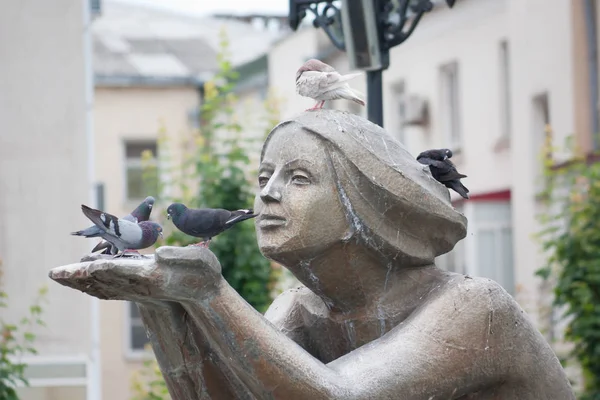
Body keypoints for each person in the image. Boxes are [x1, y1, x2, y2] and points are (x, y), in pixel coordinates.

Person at [54, 110, 575, 399]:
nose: (267, 195)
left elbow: (338, 398)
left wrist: (210, 293)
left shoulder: (476, 310)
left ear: (365, 203)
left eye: (298, 178)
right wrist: (165, 306)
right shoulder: (301, 309)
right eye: (264, 178)